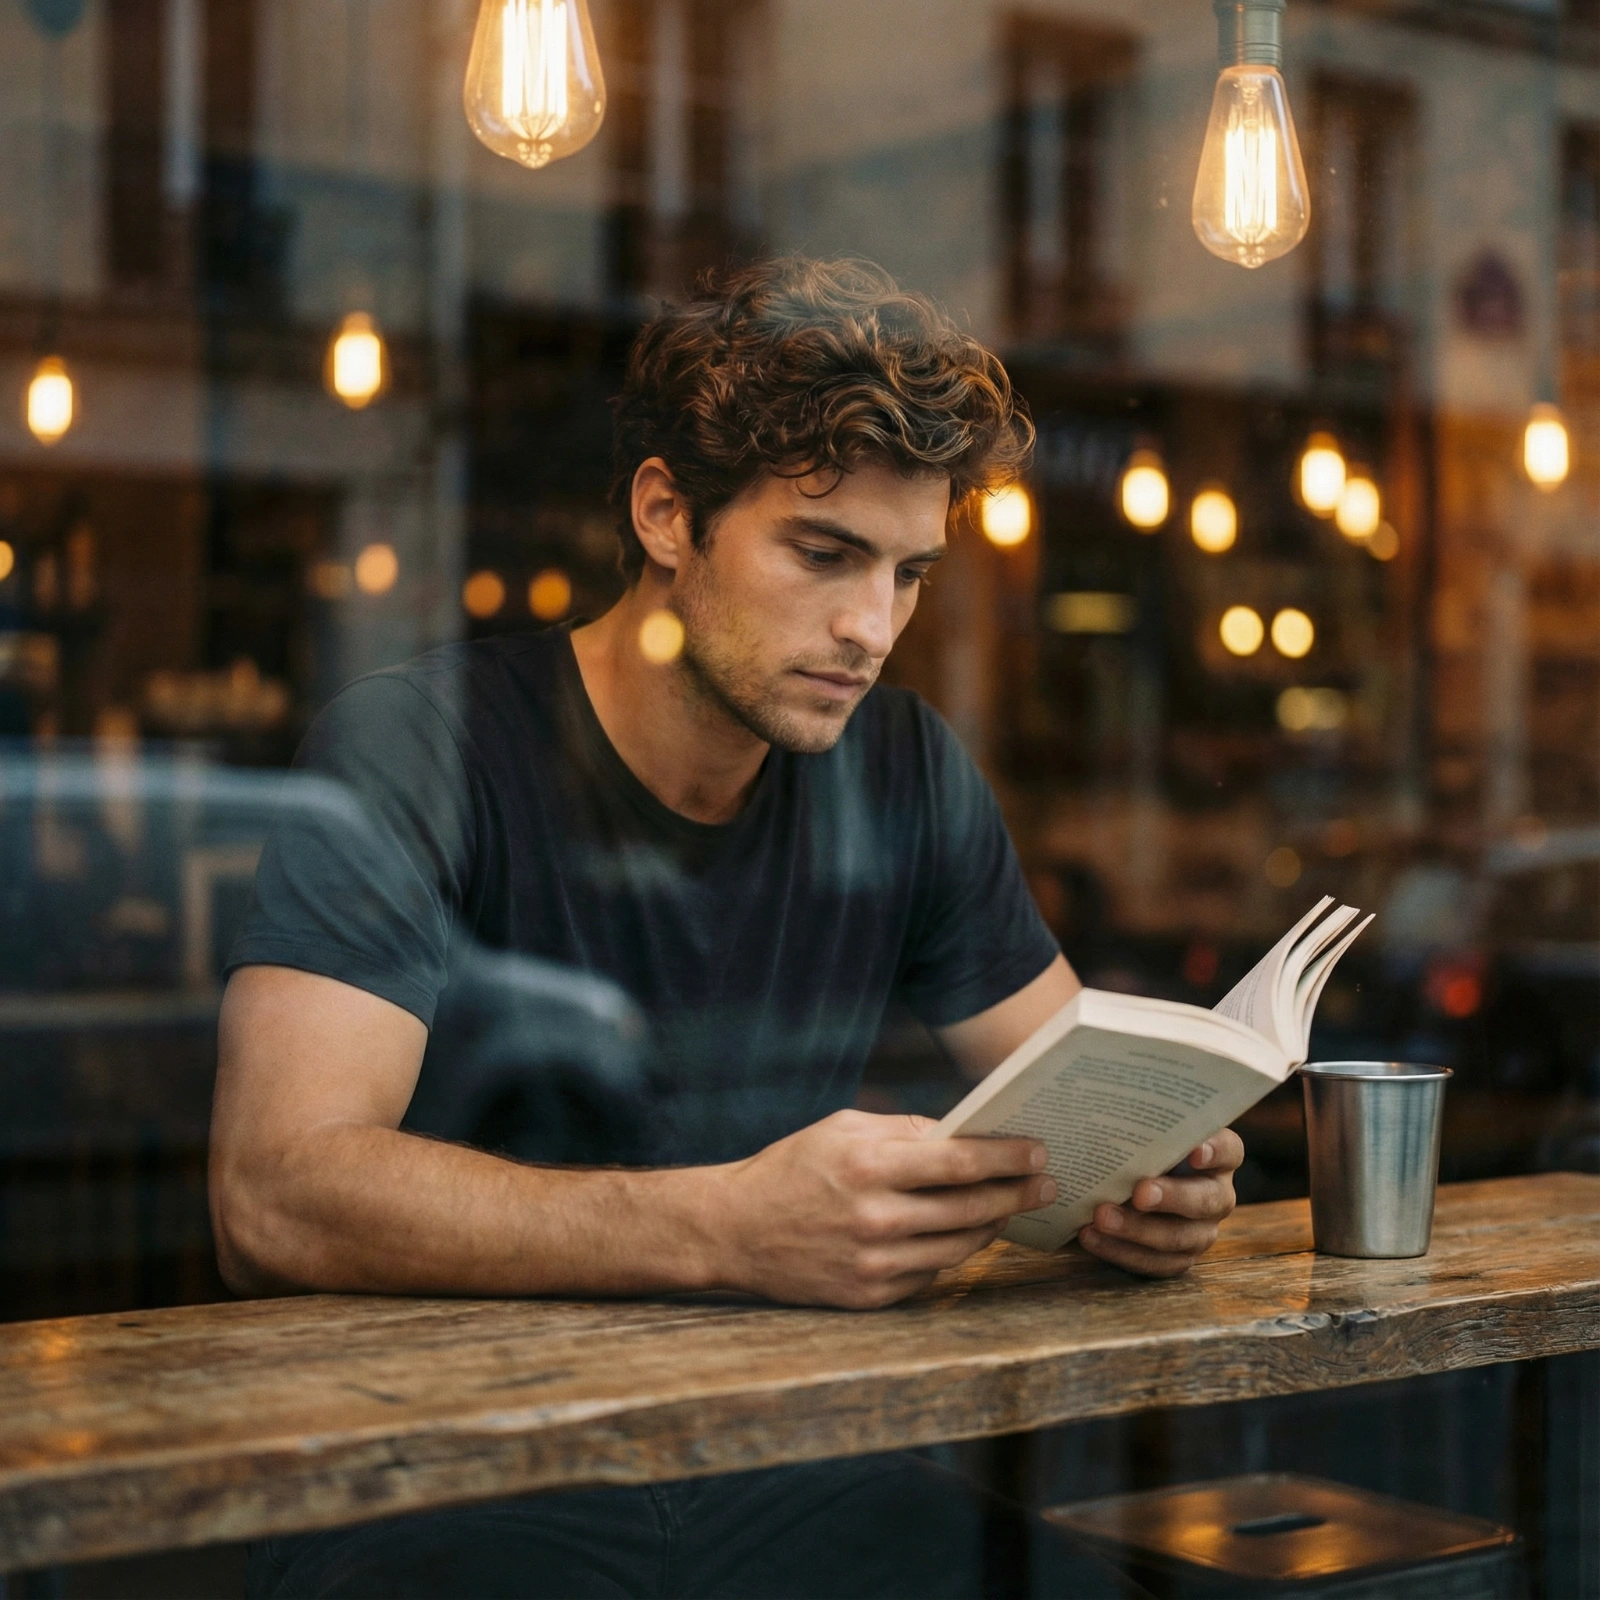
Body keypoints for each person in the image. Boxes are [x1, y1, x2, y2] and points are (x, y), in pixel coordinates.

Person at [212, 256, 1243, 1599]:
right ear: (666, 515)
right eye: (822, 554)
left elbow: (1079, 1092)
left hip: (785, 1458)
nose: (871, 627)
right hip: (439, 1469)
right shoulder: (424, 748)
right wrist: (729, 1230)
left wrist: (1149, 1185)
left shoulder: (903, 772)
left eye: (909, 574)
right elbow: (272, 1193)